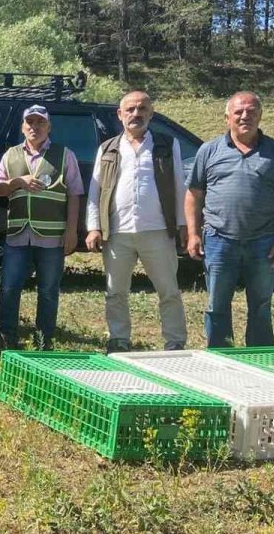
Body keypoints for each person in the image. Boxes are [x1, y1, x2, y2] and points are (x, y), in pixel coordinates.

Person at [185, 91, 274, 348]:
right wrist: (192, 233)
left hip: (264, 242)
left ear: (260, 116)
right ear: (227, 117)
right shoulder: (208, 151)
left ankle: (260, 356)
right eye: (238, 112)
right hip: (218, 240)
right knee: (217, 304)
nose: (245, 116)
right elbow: (193, 194)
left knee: (260, 304)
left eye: (251, 111)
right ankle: (220, 355)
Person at [85, 91, 188, 353]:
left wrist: (182, 225)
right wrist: (94, 227)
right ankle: (119, 339)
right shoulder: (107, 148)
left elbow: (179, 185)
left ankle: (175, 341)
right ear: (120, 115)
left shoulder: (167, 144)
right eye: (130, 109)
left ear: (151, 114)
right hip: (117, 232)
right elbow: (95, 192)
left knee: (169, 290)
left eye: (142, 109)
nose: (136, 114)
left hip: (158, 231)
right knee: (115, 291)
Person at [0, 105, 83, 351]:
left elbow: (75, 194)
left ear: (48, 127)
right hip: (17, 236)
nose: (34, 127)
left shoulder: (65, 155)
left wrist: (71, 231)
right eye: (29, 122)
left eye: (40, 122)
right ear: (22, 127)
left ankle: (44, 340)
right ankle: (7, 337)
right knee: (9, 287)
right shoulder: (10, 154)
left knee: (49, 290)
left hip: (52, 238)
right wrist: (17, 182)